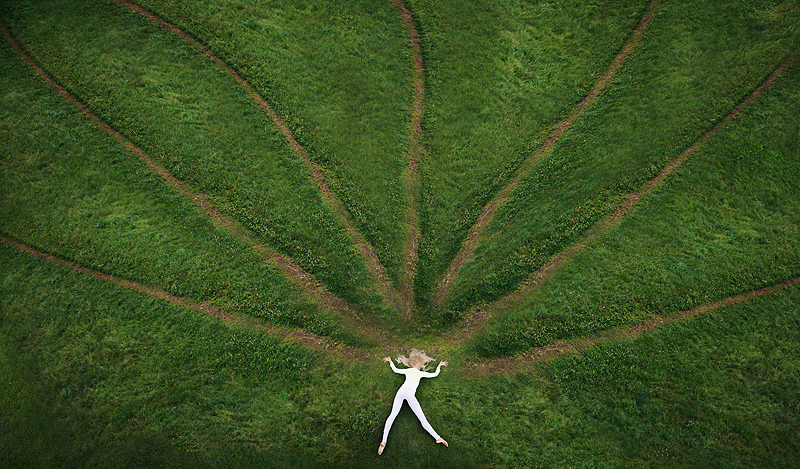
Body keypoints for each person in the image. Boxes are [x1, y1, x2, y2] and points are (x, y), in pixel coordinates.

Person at [378, 349, 448, 455]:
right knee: (422, 419)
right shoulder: (420, 373)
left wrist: (390, 361)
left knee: (392, 416)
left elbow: (395, 370)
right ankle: (437, 437)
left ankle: (383, 441)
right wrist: (439, 366)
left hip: (401, 392)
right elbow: (434, 375)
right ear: (419, 365)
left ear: (410, 364)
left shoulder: (407, 370)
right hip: (410, 394)